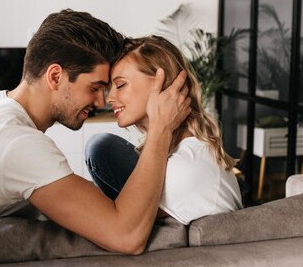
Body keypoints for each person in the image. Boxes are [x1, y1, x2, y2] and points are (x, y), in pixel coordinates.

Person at [0, 9, 191, 255]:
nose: (101, 102)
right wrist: (160, 128)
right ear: (55, 77)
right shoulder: (16, 143)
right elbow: (127, 237)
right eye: (95, 87)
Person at [85, 36, 243, 225]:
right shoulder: (177, 154)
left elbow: (120, 226)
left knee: (101, 147)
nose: (109, 98)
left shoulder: (183, 168)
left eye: (120, 85)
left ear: (160, 83)